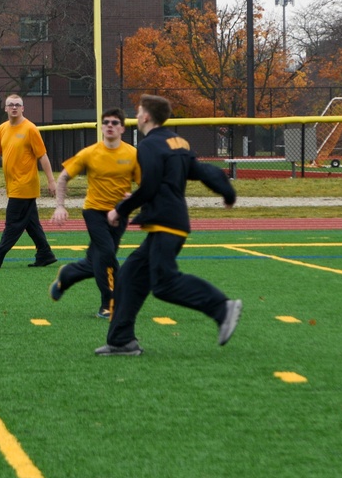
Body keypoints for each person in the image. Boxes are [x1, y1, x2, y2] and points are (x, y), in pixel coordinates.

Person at [97, 94, 242, 356]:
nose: (137, 115)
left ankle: (222, 308)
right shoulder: (178, 141)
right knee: (129, 276)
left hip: (167, 223)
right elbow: (203, 170)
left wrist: (120, 209)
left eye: (139, 111)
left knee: (163, 284)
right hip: (167, 223)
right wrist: (226, 192)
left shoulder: (150, 145)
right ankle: (121, 341)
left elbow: (150, 186)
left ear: (146, 116)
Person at [49, 107, 141, 318]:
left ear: (122, 128)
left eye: (114, 123)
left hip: (119, 214)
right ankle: (109, 304)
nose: (110, 125)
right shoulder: (90, 153)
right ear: (101, 127)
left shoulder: (133, 154)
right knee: (107, 254)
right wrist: (60, 205)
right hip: (94, 212)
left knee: (96, 262)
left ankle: (68, 275)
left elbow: (146, 187)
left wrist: (133, 200)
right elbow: (63, 178)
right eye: (106, 122)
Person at [0, 94, 58, 268]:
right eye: (11, 105)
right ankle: (45, 253)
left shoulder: (30, 129)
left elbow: (43, 156)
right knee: (30, 223)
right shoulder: (2, 129)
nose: (14, 107)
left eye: (17, 105)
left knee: (13, 224)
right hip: (13, 185)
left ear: (23, 108)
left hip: (25, 185)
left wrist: (51, 181)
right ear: (5, 108)